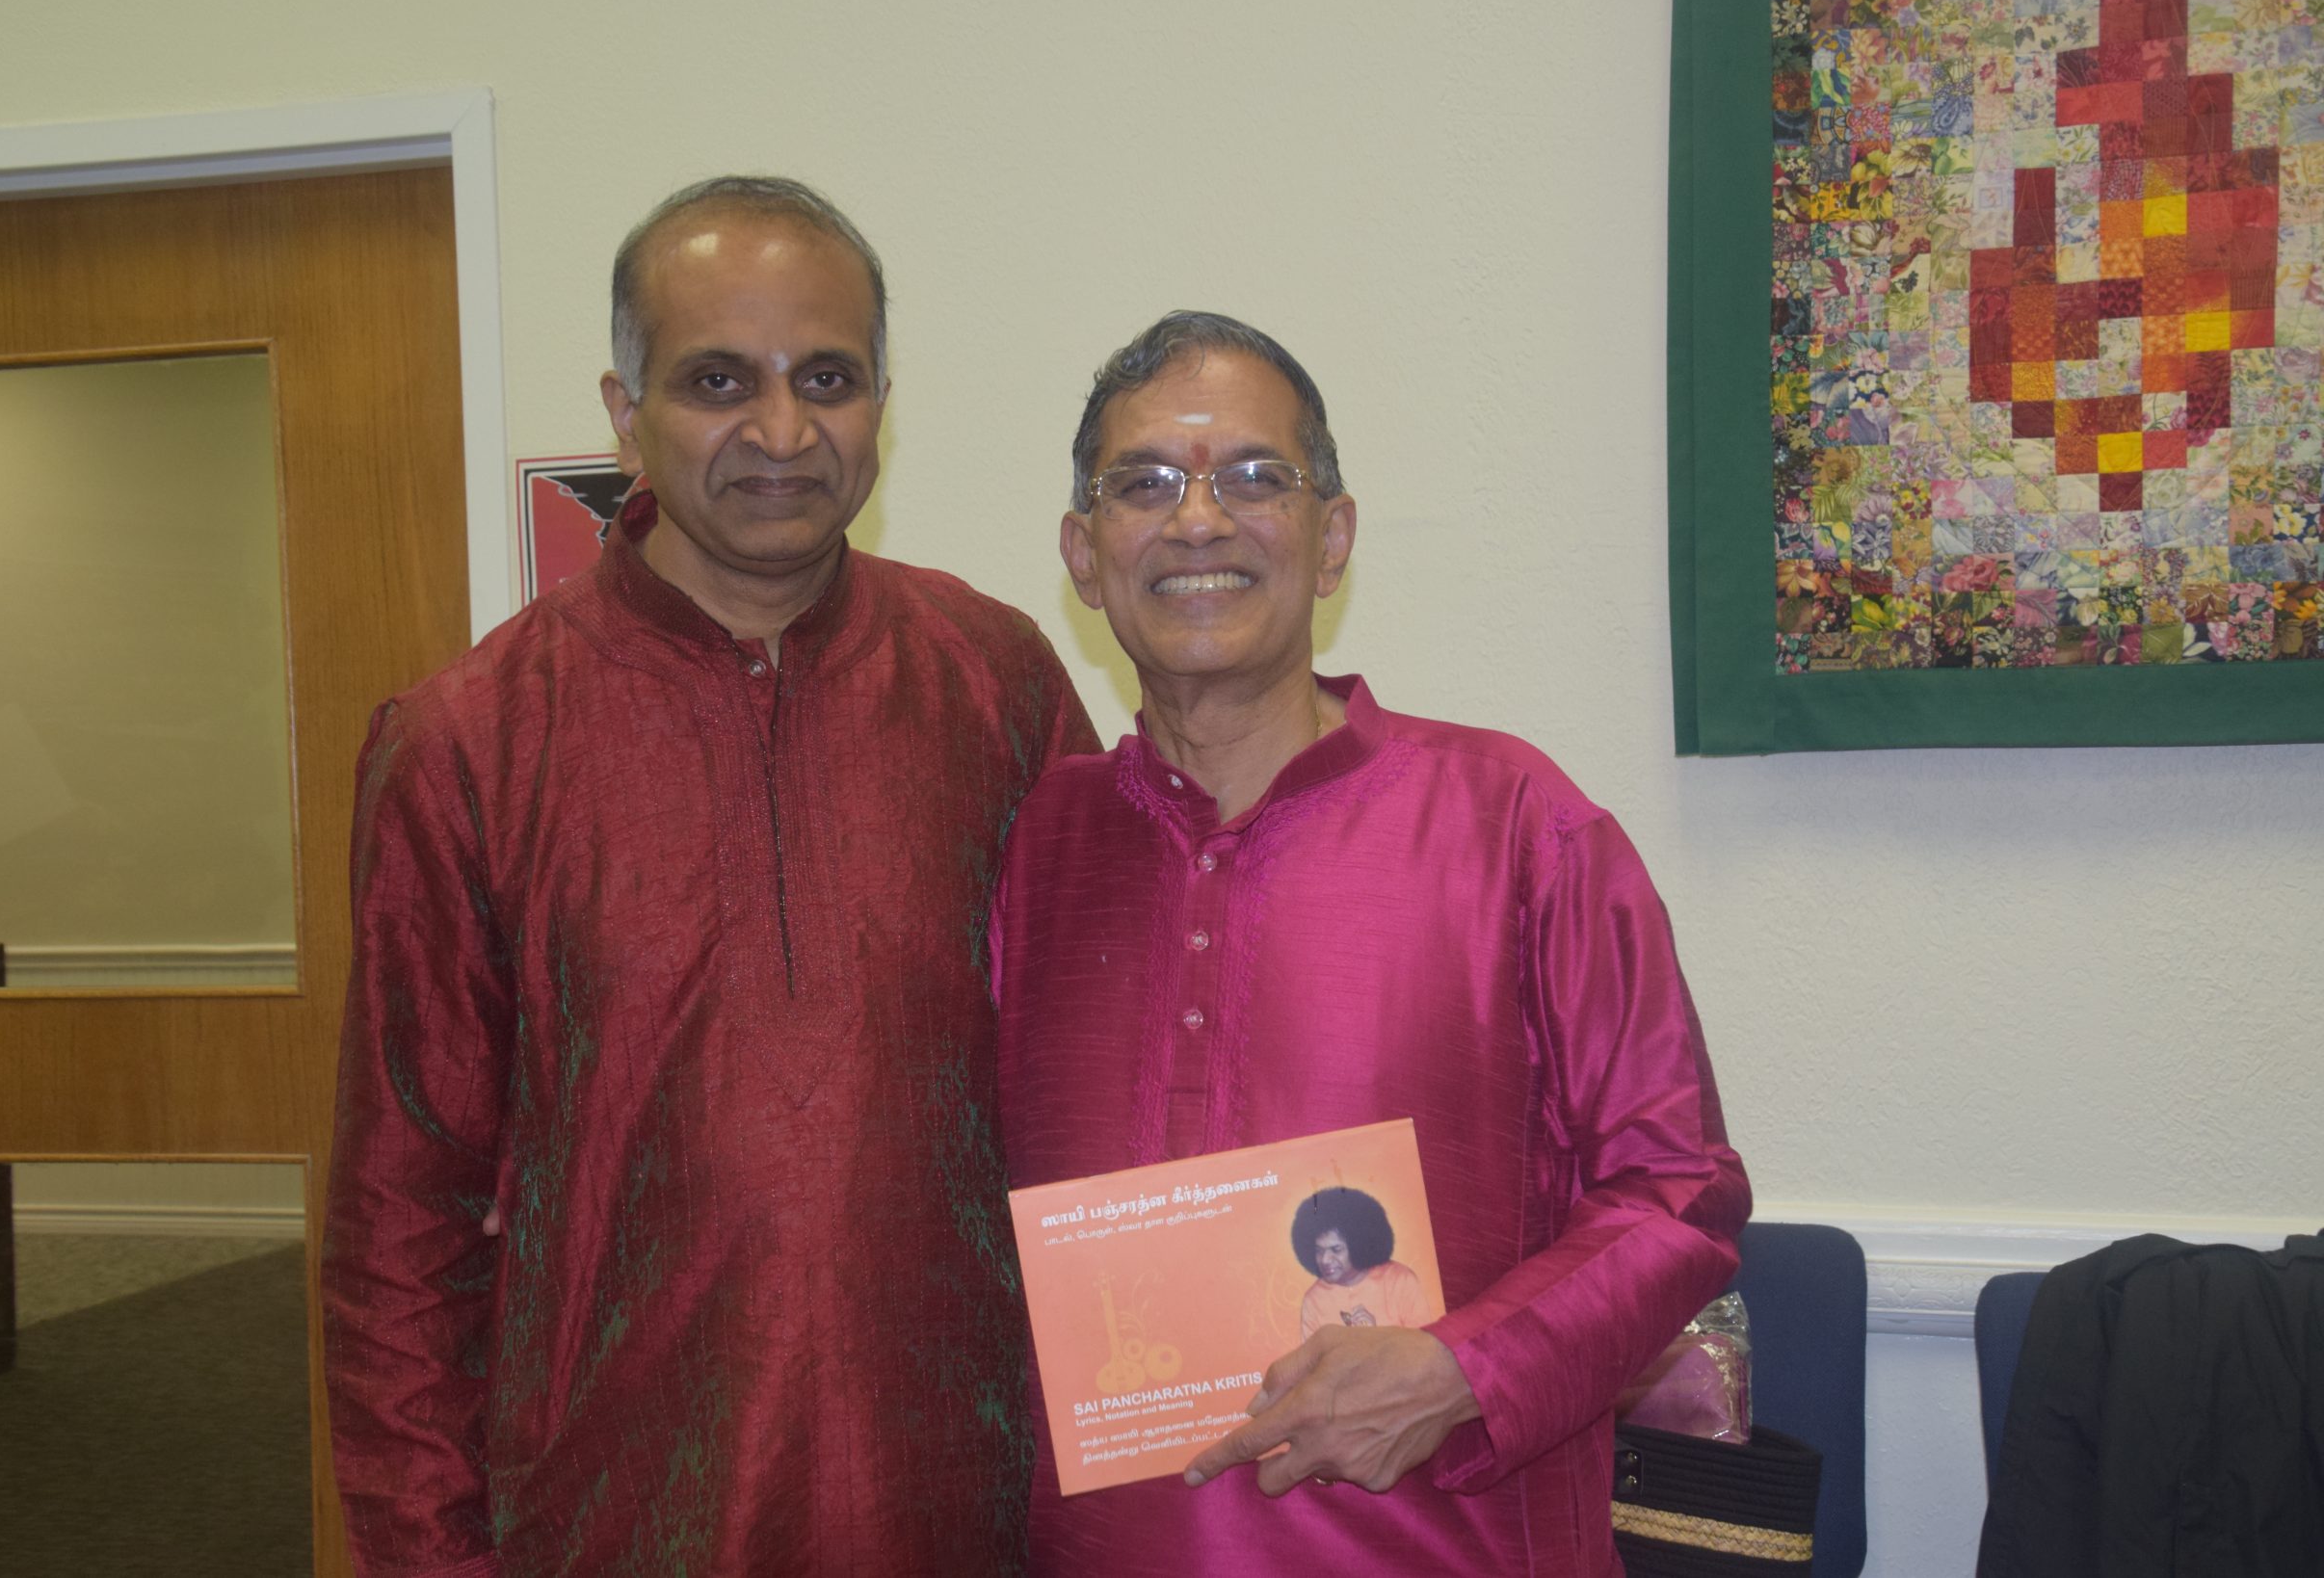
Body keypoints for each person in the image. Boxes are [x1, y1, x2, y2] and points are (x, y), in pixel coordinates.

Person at [321, 176, 1096, 1578]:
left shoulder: (997, 683)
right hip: (612, 1520)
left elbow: (1113, 1081)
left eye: (828, 378)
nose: (782, 431)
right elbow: (399, 1228)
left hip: (967, 1507)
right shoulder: (470, 743)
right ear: (626, 411)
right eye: (719, 380)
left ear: (883, 403)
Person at [993, 310, 1750, 1574]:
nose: (1196, 520)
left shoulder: (1515, 822)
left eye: (1254, 477)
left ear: (1332, 536)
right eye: (1144, 484)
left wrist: (1464, 1368)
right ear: (1083, 552)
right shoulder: (1038, 846)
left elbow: (1681, 1194)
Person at [1291, 1188, 1435, 1338]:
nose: (1325, 1260)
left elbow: (1423, 1348)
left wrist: (1375, 1337)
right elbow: (1315, 1354)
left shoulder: (1401, 1281)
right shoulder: (1313, 1301)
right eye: (1319, 1250)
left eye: (1336, 1249)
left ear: (1358, 1245)